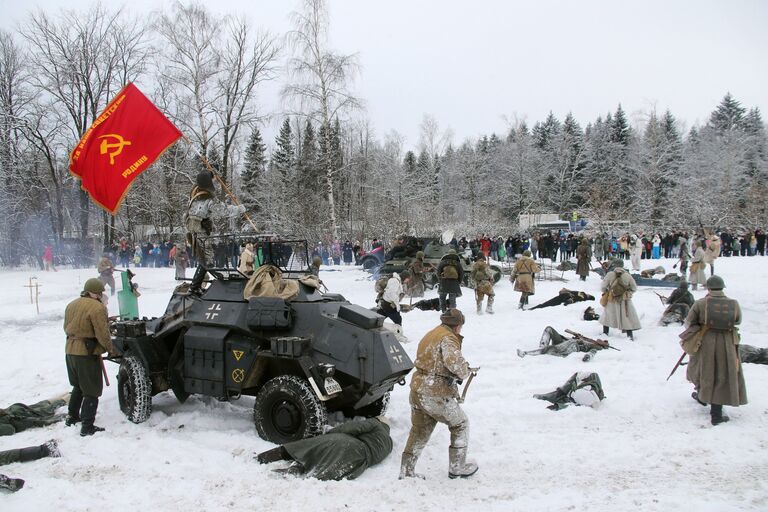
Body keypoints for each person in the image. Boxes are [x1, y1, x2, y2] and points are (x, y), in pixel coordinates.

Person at [400, 308, 478, 479]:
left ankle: (406, 471)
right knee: (460, 424)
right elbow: (454, 363)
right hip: (435, 393)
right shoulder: (449, 338)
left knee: (419, 430)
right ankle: (457, 467)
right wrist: (465, 371)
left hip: (418, 389)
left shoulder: (432, 333)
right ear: (458, 325)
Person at [680, 275, 747, 425]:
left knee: (704, 370)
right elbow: (738, 320)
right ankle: (705, 399)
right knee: (722, 373)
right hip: (727, 343)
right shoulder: (734, 303)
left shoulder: (700, 303)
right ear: (722, 288)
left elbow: (689, 322)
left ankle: (715, 414)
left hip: (706, 342)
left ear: (708, 288)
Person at [64, 278, 119, 436]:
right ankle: (87, 427)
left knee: (78, 386)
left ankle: (72, 417)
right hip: (86, 354)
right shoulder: (97, 307)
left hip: (70, 350)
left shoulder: (72, 304)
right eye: (100, 293)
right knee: (92, 390)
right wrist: (110, 348)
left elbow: (66, 327)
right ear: (96, 293)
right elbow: (102, 333)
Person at [255, 418, 392, 480]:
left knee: (310, 447)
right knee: (323, 469)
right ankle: (296, 474)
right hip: (359, 463)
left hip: (350, 445)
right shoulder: (389, 443)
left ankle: (264, 458)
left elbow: (352, 428)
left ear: (379, 421)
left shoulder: (374, 424)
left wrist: (329, 435)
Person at [184, 170, 245, 265]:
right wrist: (238, 209)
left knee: (202, 258)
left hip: (192, 231)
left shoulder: (194, 197)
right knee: (207, 260)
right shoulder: (208, 199)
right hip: (202, 231)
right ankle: (199, 279)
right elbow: (222, 211)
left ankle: (201, 278)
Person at [599, 259, 641, 339]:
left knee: (607, 316)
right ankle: (629, 335)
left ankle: (605, 333)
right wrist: (627, 294)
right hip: (624, 300)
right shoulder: (627, 275)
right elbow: (634, 288)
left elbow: (603, 287)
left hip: (611, 298)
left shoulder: (610, 274)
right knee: (626, 317)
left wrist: (606, 292)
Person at [516, 326, 607, 361]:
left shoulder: (596, 346)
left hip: (572, 345)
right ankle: (542, 347)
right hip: (565, 340)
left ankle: (526, 353)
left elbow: (592, 352)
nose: (600, 339)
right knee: (549, 329)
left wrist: (587, 357)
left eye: (604, 341)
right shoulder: (590, 340)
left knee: (552, 349)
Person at [533, 372, 605, 411]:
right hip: (590, 395)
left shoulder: (581, 391)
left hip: (585, 394)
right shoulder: (592, 380)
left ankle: (556, 398)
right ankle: (557, 399)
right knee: (572, 398)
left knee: (571, 397)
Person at [0, 395, 68, 436]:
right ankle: (69, 394)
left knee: (46, 412)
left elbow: (11, 430)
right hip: (14, 408)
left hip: (20, 416)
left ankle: (73, 394)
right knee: (40, 405)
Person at [377, 272, 408, 337]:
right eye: (408, 279)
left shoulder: (396, 280)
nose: (408, 281)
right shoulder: (395, 281)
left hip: (385, 303)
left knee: (379, 318)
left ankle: (376, 330)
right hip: (389, 304)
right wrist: (397, 303)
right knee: (398, 320)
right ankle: (399, 335)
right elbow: (391, 293)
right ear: (405, 277)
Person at [528, 289, 595, 310]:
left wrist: (568, 301)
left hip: (563, 296)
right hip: (564, 297)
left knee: (546, 304)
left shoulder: (582, 294)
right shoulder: (583, 296)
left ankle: (532, 309)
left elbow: (574, 298)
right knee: (546, 304)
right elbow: (575, 298)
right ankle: (532, 309)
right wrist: (568, 301)